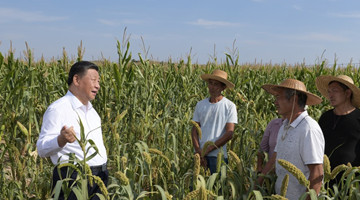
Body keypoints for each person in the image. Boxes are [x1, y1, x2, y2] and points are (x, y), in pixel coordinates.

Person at [37, 61, 108, 199]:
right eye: (93, 80)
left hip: (100, 178)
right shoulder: (58, 109)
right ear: (76, 80)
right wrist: (60, 140)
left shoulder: (93, 113)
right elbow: (41, 149)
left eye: (98, 81)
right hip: (73, 179)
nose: (98, 86)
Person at [259, 79, 324, 199]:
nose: (275, 102)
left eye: (279, 97)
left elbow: (317, 174)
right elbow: (275, 158)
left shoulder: (308, 129)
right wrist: (257, 185)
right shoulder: (285, 126)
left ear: (294, 99)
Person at [316, 75, 360, 185]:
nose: (330, 95)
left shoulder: (359, 117)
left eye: (335, 91)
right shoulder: (325, 117)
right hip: (325, 180)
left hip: (351, 181)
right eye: (329, 91)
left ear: (348, 93)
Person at [191, 69, 238, 174]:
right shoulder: (200, 105)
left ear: (223, 87)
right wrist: (199, 151)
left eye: (216, 84)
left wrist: (208, 150)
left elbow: (229, 133)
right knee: (195, 187)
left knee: (218, 188)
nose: (212, 87)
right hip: (199, 156)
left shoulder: (229, 106)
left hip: (218, 156)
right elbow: (194, 129)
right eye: (210, 83)